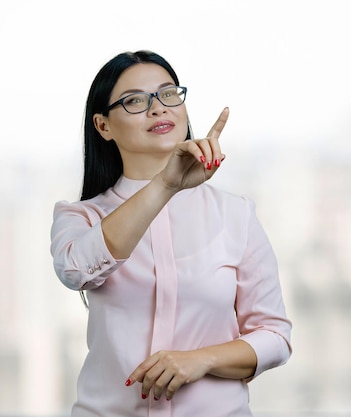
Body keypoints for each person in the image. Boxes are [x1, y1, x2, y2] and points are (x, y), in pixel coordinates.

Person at [50, 50, 292, 417]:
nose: (158, 108)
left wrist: (201, 360)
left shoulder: (235, 213)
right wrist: (165, 184)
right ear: (103, 126)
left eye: (168, 94)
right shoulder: (80, 216)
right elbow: (75, 271)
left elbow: (274, 337)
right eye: (135, 101)